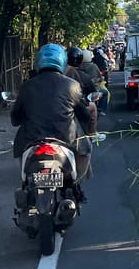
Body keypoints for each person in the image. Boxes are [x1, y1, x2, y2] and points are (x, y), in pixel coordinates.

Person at [10, 43, 95, 199]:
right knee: (87, 149)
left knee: (20, 157)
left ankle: (26, 184)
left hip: (31, 140)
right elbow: (84, 115)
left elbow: (15, 119)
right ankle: (76, 186)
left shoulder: (27, 86)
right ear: (62, 62)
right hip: (66, 139)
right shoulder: (73, 85)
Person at [66, 46, 99, 131]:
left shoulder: (36, 80)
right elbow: (93, 92)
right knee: (93, 106)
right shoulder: (82, 75)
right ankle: (92, 134)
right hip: (75, 106)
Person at [81, 49, 109, 114]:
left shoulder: (78, 67)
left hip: (81, 91)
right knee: (105, 93)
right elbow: (100, 77)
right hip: (93, 91)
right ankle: (101, 109)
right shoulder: (93, 66)